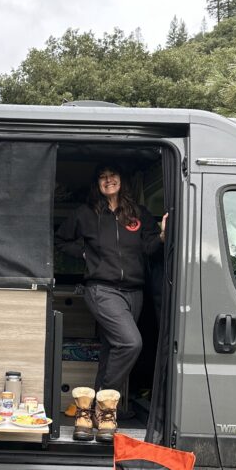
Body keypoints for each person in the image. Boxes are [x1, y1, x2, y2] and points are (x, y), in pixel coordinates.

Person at [55, 163, 167, 442]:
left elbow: (149, 247)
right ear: (97, 184)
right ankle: (102, 407)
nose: (108, 180)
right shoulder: (86, 213)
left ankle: (89, 414)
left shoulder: (138, 214)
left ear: (122, 179)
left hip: (134, 292)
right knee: (131, 342)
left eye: (112, 175)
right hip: (101, 289)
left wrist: (163, 236)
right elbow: (60, 240)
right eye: (102, 177)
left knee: (111, 349)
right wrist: (84, 253)